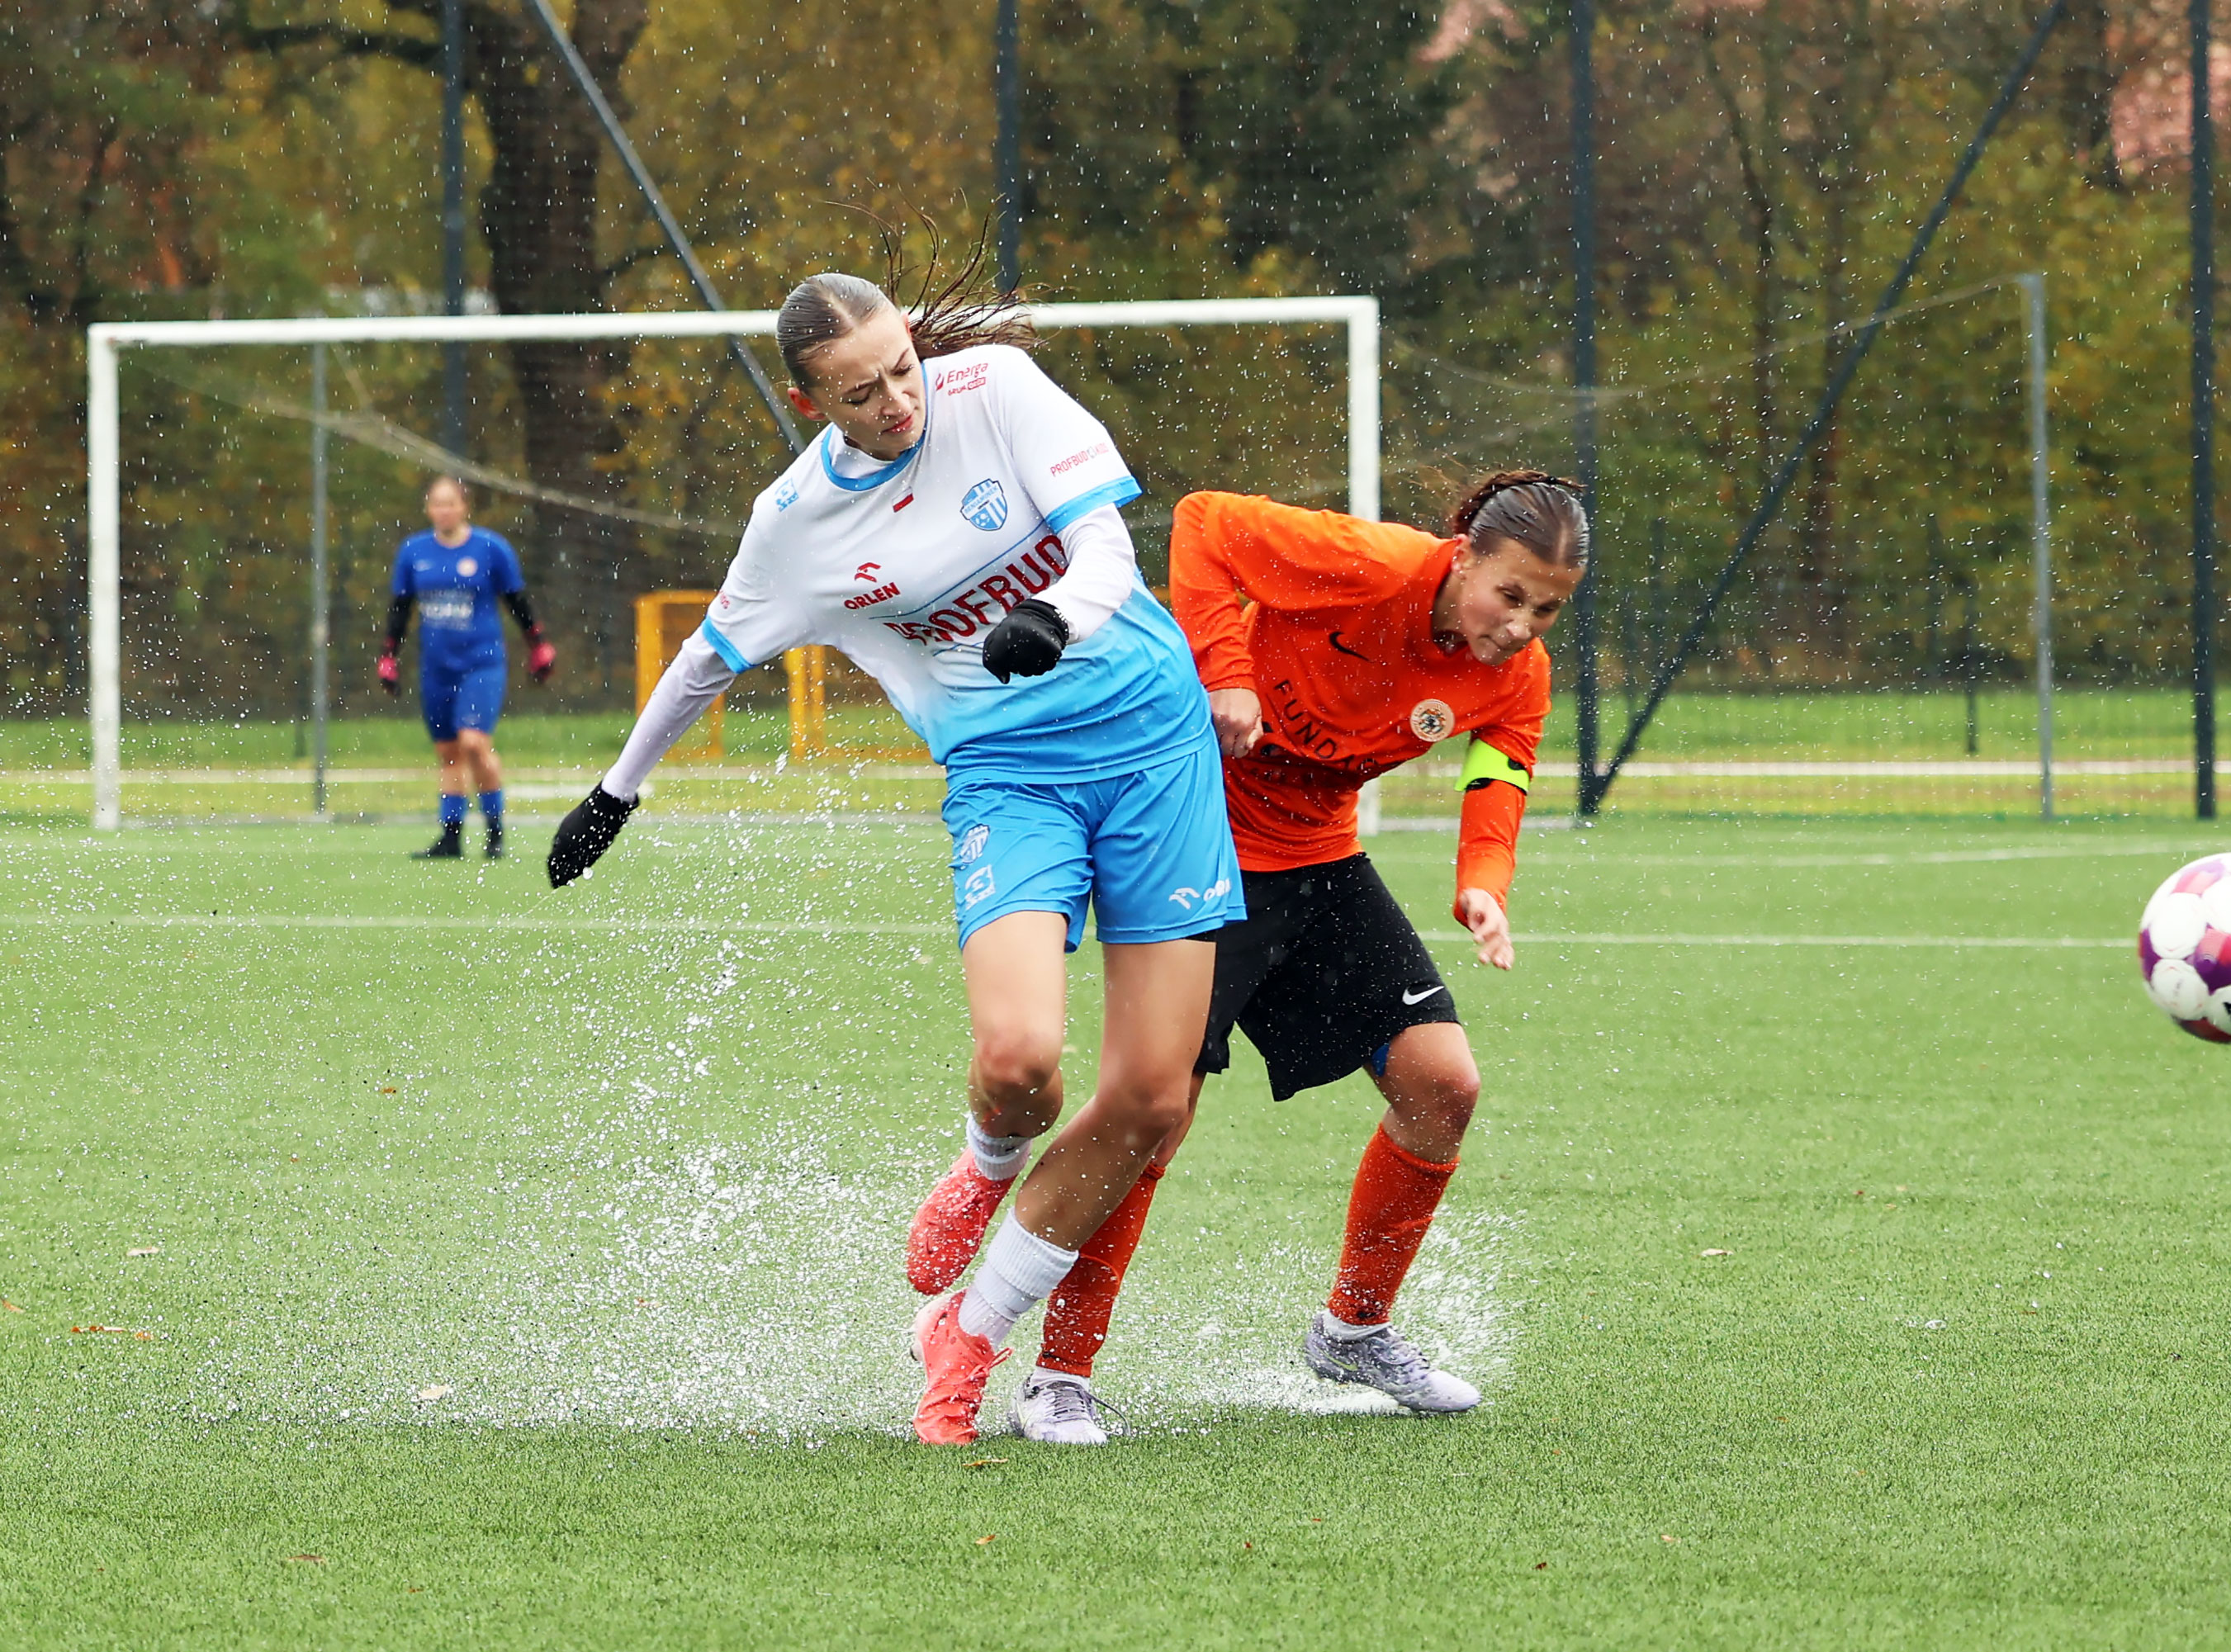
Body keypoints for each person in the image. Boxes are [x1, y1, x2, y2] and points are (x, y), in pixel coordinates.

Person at [542, 269, 1242, 1447]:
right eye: (862, 394)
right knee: (1021, 1057)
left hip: (1155, 751)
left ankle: (968, 1330)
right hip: (1010, 781)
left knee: (1153, 1095)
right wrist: (617, 792)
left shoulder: (998, 388)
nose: (898, 403)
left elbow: (1111, 556)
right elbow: (709, 660)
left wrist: (1050, 621)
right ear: (813, 400)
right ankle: (983, 1166)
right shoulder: (796, 525)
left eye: (902, 370)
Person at [906, 472, 1585, 1428]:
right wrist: (1223, 670)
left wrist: (1484, 880)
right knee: (1159, 1109)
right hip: (1199, 841)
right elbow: (1202, 525)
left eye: (1546, 611)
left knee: (1445, 1084)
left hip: (1320, 858)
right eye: (1508, 595)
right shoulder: (1369, 563)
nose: (1520, 626)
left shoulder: (1517, 670)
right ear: (1462, 553)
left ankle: (1352, 1332)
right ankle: (1058, 1373)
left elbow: (1502, 762)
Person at [381, 476, 556, 859]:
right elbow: (400, 609)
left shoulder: (491, 549)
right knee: (448, 752)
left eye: (451, 503)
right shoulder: (414, 553)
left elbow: (517, 601)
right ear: (428, 509)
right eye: (436, 503)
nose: (444, 510)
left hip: (481, 663)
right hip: (436, 667)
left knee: (474, 743)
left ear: (465, 507)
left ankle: (494, 832)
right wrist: (388, 656)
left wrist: (538, 645)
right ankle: (451, 837)